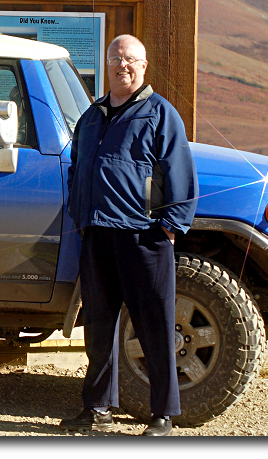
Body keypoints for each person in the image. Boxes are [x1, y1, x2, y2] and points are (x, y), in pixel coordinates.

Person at [60, 34, 198, 437]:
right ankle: (97, 409)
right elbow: (76, 166)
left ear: (144, 66)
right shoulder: (93, 115)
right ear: (107, 65)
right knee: (99, 327)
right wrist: (80, 214)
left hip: (144, 238)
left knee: (154, 325)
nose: (123, 66)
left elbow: (180, 173)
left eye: (131, 60)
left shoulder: (160, 113)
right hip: (97, 235)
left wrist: (171, 227)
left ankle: (162, 416)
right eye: (117, 59)